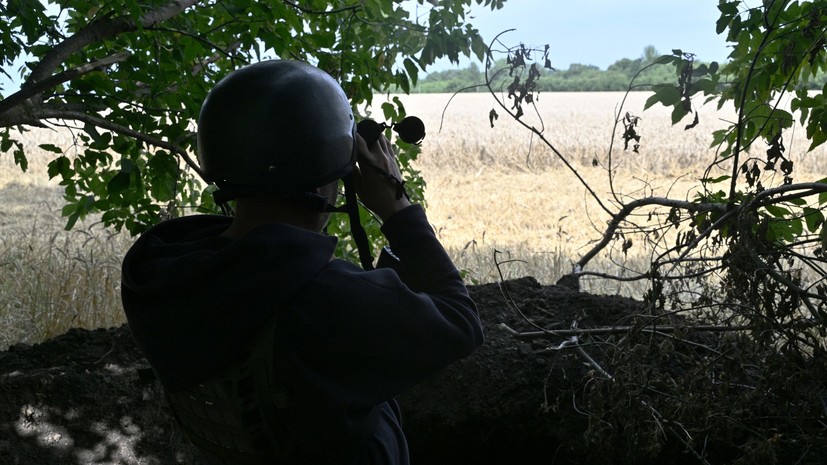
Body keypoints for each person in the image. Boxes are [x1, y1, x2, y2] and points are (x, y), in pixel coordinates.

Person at [120, 59, 484, 464]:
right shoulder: (326, 300)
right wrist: (398, 210)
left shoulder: (162, 275)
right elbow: (462, 323)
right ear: (329, 172)